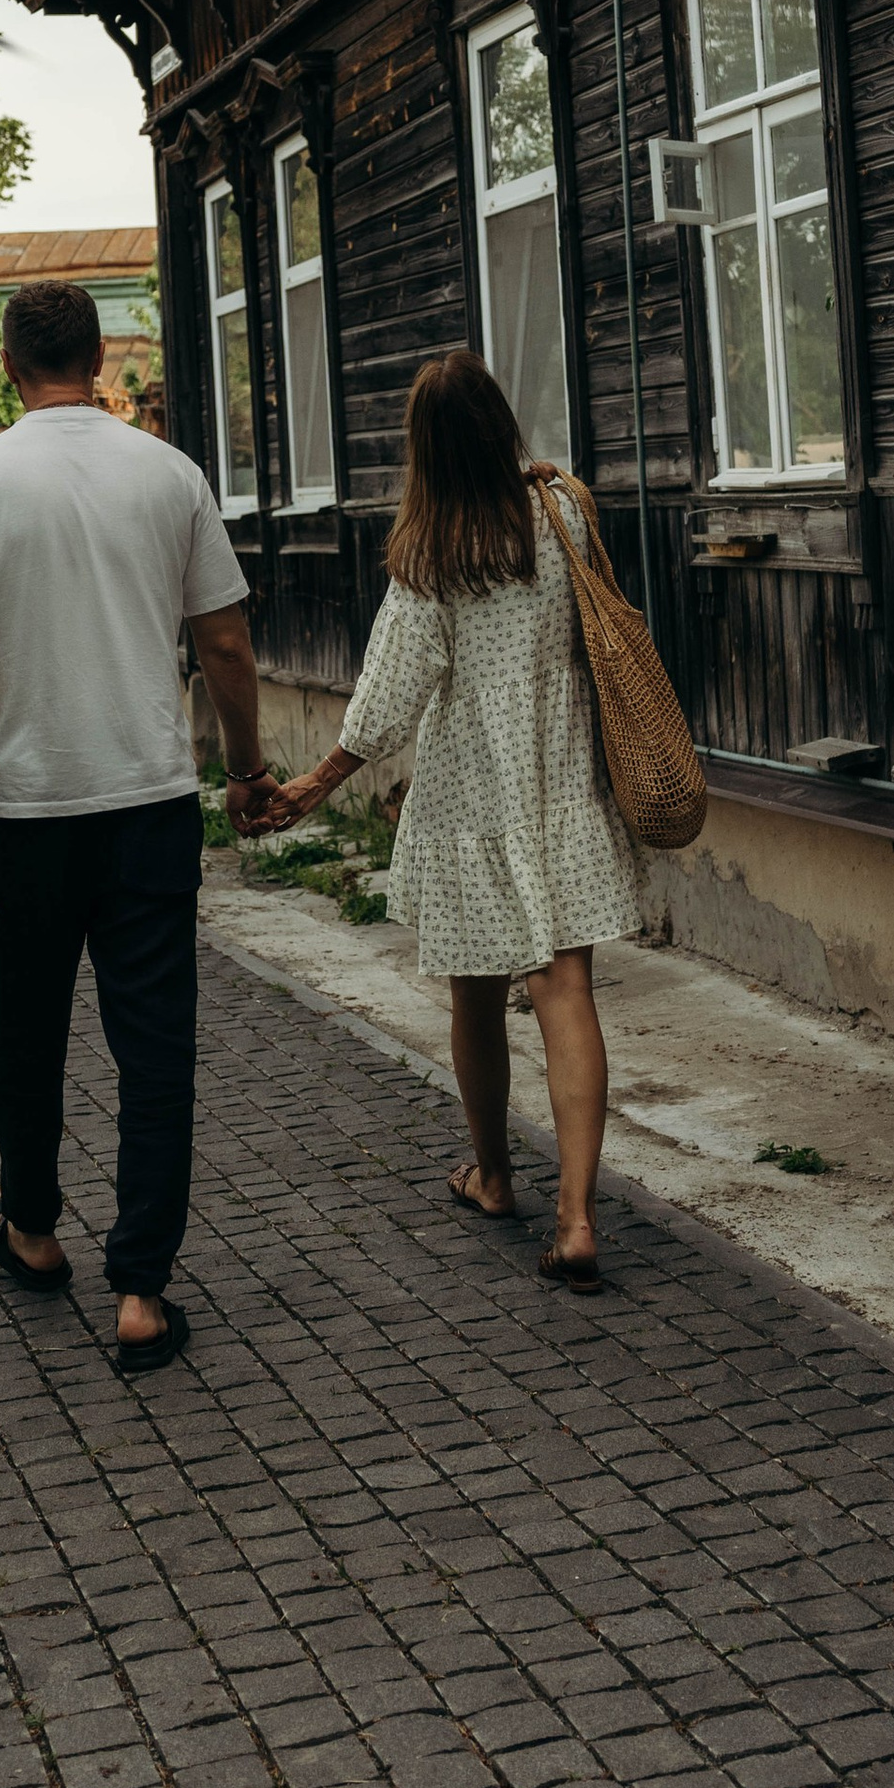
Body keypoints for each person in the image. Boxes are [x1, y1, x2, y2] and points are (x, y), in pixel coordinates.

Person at [0, 276, 275, 1376]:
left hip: (21, 813)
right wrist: (248, 768)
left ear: (10, 366)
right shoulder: (169, 474)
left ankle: (29, 1228)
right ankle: (140, 1291)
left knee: (24, 1035)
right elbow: (223, 644)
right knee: (154, 1047)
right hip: (149, 810)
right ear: (104, 361)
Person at [253, 348, 644, 1289]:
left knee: (475, 991)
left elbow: (390, 697)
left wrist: (314, 783)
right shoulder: (562, 515)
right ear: (503, 428)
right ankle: (579, 1217)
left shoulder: (431, 555)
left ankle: (497, 1175)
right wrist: (546, 476)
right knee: (566, 989)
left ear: (425, 450)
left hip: (474, 792)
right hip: (559, 778)